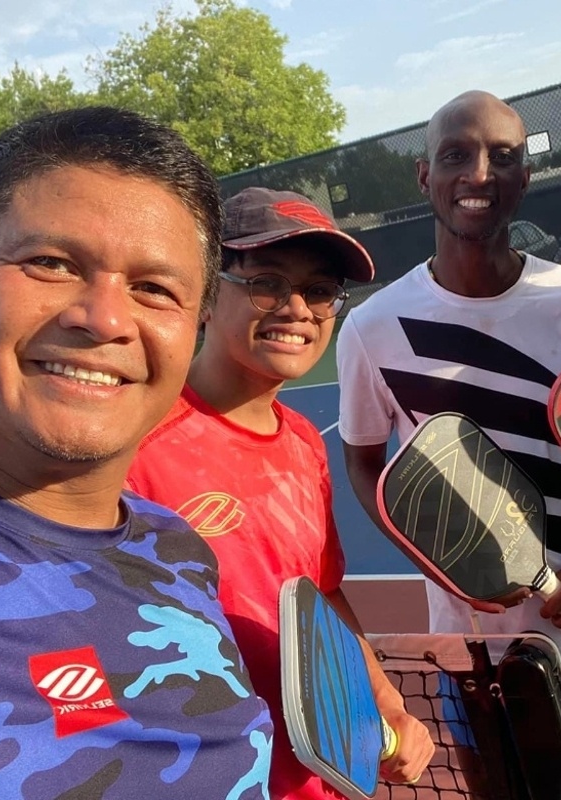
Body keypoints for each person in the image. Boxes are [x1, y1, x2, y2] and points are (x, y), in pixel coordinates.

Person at [0, 108, 274, 798]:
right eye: (50, 263)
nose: (103, 318)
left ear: (191, 332)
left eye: (154, 289)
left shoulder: (178, 549)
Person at [337, 90, 561, 800]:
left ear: (526, 178)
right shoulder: (373, 328)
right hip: (477, 647)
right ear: (423, 176)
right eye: (456, 155)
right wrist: (444, 556)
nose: (479, 174)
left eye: (503, 158)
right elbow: (366, 459)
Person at [126, 187, 434, 798]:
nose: (296, 308)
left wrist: (386, 702)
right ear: (207, 294)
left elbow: (323, 598)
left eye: (319, 291)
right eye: (266, 281)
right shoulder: (131, 441)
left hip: (314, 775)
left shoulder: (304, 444)